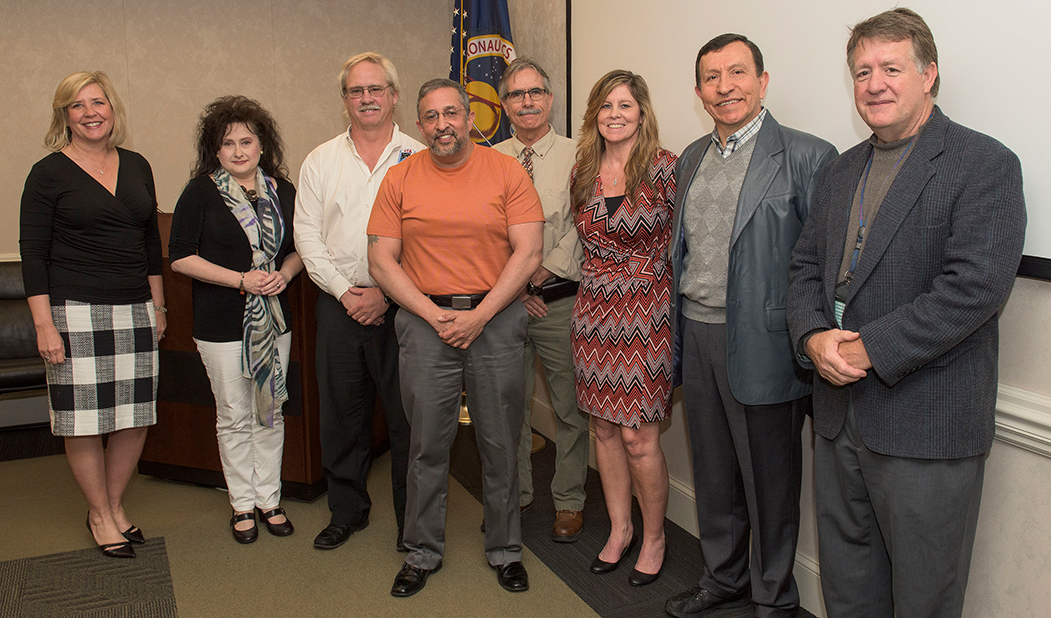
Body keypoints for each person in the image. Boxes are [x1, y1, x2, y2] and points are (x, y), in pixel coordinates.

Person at [786, 9, 1026, 617]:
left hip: (926, 426)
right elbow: (806, 269)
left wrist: (866, 349)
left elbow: (973, 289)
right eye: (862, 71)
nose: (874, 84)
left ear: (929, 75)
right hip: (839, 417)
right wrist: (813, 336)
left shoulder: (984, 163)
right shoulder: (841, 169)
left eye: (891, 68)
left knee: (923, 601)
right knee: (848, 593)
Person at [664, 35, 837, 618]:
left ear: (763, 81)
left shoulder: (809, 156)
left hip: (768, 345)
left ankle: (774, 597)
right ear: (698, 92)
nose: (725, 86)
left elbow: (827, 267)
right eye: (711, 78)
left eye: (737, 73)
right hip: (696, 332)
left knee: (769, 482)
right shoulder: (690, 157)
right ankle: (723, 577)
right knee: (713, 473)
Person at [368, 78, 544, 597]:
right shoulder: (400, 179)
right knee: (426, 444)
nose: (443, 124)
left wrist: (481, 315)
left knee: (501, 442)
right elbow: (381, 259)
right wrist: (431, 314)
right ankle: (422, 551)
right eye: (431, 116)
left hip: (496, 320)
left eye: (451, 113)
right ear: (419, 126)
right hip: (425, 326)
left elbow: (528, 252)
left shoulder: (507, 170)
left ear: (470, 118)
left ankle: (506, 548)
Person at [20, 71, 166, 559]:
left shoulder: (137, 164)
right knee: (82, 420)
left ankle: (114, 503)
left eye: (98, 102)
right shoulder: (48, 173)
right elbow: (33, 254)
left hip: (135, 306)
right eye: (77, 105)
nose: (90, 112)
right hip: (73, 309)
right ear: (65, 116)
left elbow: (150, 244)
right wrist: (44, 324)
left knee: (134, 414)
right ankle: (99, 515)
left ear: (112, 107)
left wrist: (158, 304)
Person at [294, 52, 420, 552]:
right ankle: (347, 512)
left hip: (407, 307)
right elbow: (307, 235)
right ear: (344, 99)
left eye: (375, 89)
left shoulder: (420, 156)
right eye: (355, 90)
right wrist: (347, 292)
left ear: (393, 95)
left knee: (407, 418)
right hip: (337, 302)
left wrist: (388, 295)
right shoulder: (320, 159)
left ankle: (414, 523)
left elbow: (429, 238)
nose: (366, 98)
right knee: (342, 414)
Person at [168, 95, 303, 544]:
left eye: (247, 141)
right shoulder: (200, 192)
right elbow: (180, 257)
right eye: (228, 144)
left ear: (262, 145)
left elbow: (302, 247)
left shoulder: (283, 190)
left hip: (273, 323)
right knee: (234, 415)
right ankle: (242, 504)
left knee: (270, 412)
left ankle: (270, 499)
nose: (239, 151)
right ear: (216, 150)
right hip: (221, 324)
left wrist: (283, 273)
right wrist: (240, 280)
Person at [571, 70, 676, 587]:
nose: (614, 113)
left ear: (642, 112)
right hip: (593, 314)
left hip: (646, 314)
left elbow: (685, 244)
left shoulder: (665, 170)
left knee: (639, 436)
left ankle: (654, 537)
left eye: (625, 105)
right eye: (605, 105)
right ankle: (619, 530)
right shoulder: (583, 170)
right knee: (605, 430)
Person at [494, 57, 588, 542]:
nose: (526, 101)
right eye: (515, 94)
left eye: (534, 93)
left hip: (558, 302)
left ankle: (570, 501)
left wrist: (536, 279)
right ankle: (516, 493)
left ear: (550, 100)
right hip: (504, 307)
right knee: (509, 408)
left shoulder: (581, 155)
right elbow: (484, 235)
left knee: (571, 410)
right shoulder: (488, 160)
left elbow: (582, 225)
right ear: (504, 105)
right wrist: (515, 288)